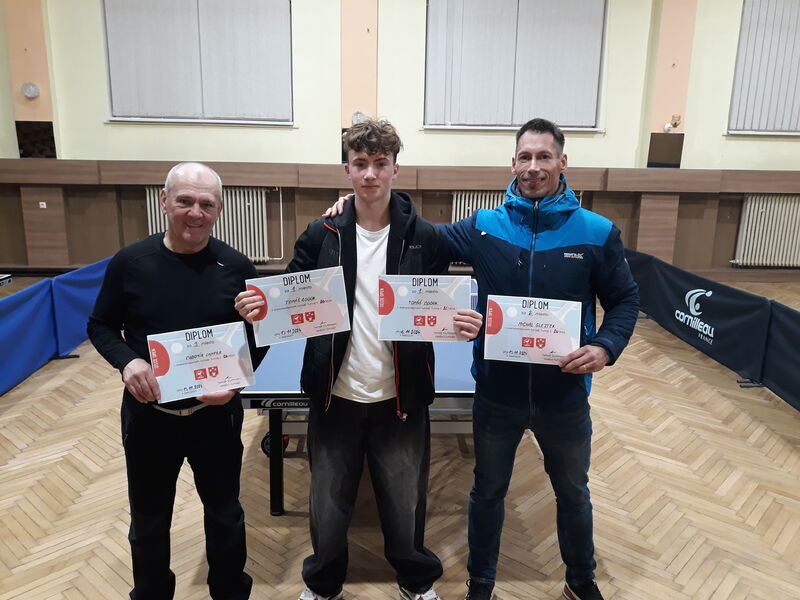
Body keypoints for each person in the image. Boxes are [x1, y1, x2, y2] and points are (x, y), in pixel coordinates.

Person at [327, 118, 639, 600]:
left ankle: (581, 580)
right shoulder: (485, 226)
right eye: (525, 157)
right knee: (488, 491)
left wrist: (604, 346)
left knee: (574, 493)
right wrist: (358, 205)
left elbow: (625, 300)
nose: (534, 166)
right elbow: (419, 237)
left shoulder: (598, 232)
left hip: (564, 396)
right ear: (513, 163)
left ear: (562, 161)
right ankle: (482, 581)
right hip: (497, 394)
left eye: (544, 156)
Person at [234, 119, 483, 600]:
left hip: (400, 395)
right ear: (347, 169)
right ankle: (324, 585)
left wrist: (461, 322)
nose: (370, 174)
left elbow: (440, 305)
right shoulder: (321, 233)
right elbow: (290, 297)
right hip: (335, 395)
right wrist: (261, 308)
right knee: (327, 504)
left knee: (406, 501)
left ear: (395, 169)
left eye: (380, 164)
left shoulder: (425, 237)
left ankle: (415, 580)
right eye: (361, 163)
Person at [88, 162, 266, 600]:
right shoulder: (130, 263)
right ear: (164, 201)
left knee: (225, 516)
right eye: (185, 201)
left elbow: (258, 336)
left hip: (215, 416)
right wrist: (128, 362)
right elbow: (101, 325)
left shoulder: (236, 266)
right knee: (148, 522)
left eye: (207, 204)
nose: (195, 213)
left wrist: (236, 384)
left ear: (219, 209)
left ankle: (230, 593)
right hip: (149, 419)